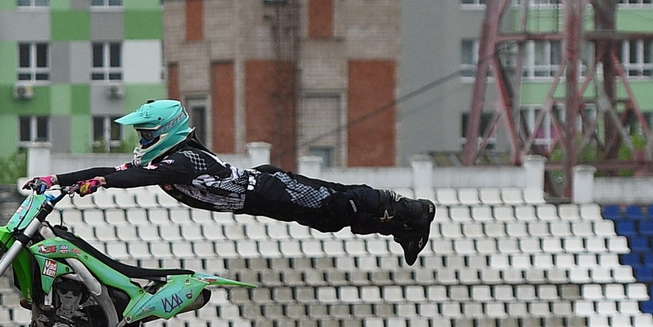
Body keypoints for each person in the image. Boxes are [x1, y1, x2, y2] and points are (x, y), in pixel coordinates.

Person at [34, 100, 436, 265]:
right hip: (260, 198)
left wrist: (100, 183)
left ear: (166, 131)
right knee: (329, 221)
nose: (140, 142)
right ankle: (400, 228)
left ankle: (412, 210)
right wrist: (56, 179)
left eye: (145, 134)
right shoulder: (170, 158)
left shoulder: (184, 159)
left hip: (267, 190)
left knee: (338, 205)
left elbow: (132, 177)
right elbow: (125, 170)